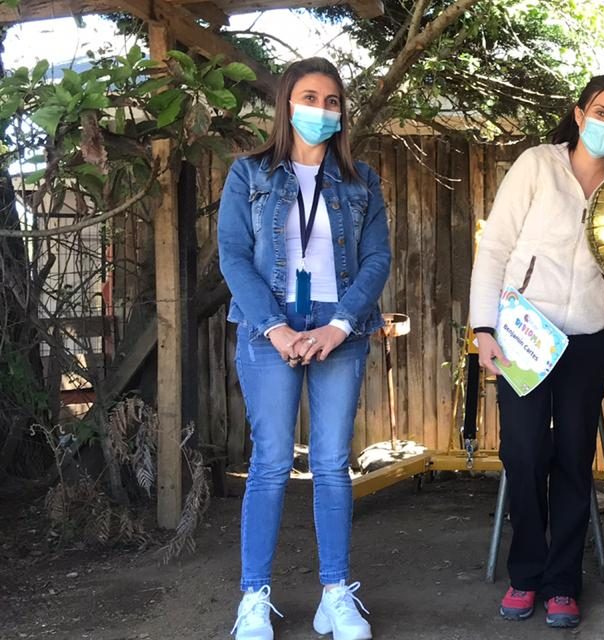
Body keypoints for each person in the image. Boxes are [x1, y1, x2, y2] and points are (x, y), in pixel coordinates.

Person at [468, 74, 604, 629]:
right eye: (601, 112)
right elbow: (496, 246)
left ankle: (562, 583)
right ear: (579, 114)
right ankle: (524, 573)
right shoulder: (536, 165)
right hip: (525, 334)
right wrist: (484, 327)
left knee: (574, 459)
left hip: (587, 341)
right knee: (523, 454)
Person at [218, 57, 390, 640]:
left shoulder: (362, 180)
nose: (322, 110)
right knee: (268, 464)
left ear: (343, 112)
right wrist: (275, 328)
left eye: (333, 100)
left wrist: (340, 325)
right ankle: (252, 599)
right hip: (272, 327)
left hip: (338, 326)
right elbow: (234, 257)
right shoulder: (248, 174)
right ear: (287, 104)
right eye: (310, 97)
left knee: (332, 465)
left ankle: (335, 594)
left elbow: (376, 261)